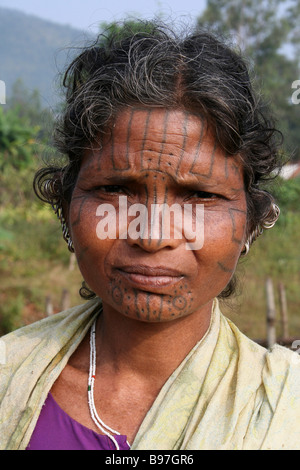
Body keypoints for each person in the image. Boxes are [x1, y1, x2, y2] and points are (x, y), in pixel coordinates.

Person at [0, 21, 299, 451]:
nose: (153, 233)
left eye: (199, 195)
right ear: (66, 208)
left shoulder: (285, 410)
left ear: (251, 222)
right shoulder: (12, 378)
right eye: (116, 189)